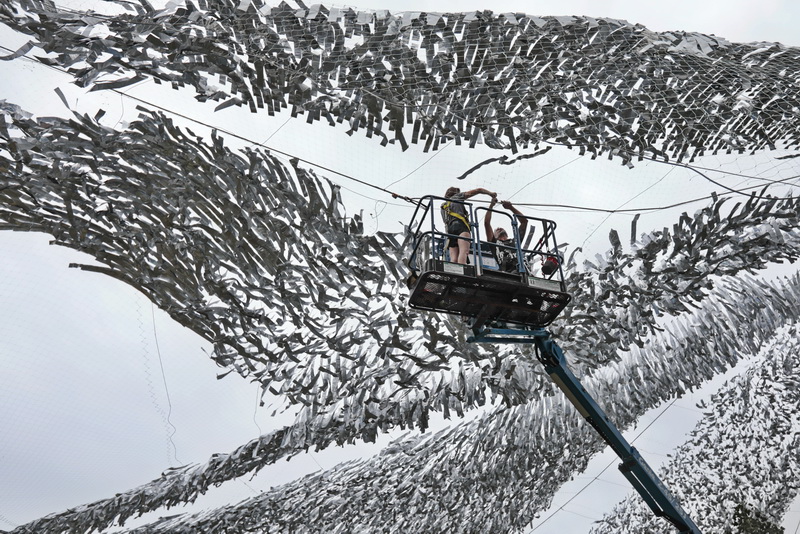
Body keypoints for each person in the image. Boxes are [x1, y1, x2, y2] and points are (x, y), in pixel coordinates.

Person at [441, 186, 496, 264]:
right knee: (464, 252)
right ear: (456, 193)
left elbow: (445, 222)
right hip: (461, 227)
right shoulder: (457, 197)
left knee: (454, 258)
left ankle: (454, 272)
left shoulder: (443, 207)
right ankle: (461, 271)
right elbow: (479, 190)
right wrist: (490, 193)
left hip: (450, 231)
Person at [484, 198, 529, 273]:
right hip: (507, 271)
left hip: (520, 270)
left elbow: (524, 222)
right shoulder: (494, 244)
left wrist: (511, 208)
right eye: (496, 230)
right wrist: (491, 205)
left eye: (500, 228)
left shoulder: (514, 241)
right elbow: (487, 223)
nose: (499, 228)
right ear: (494, 236)